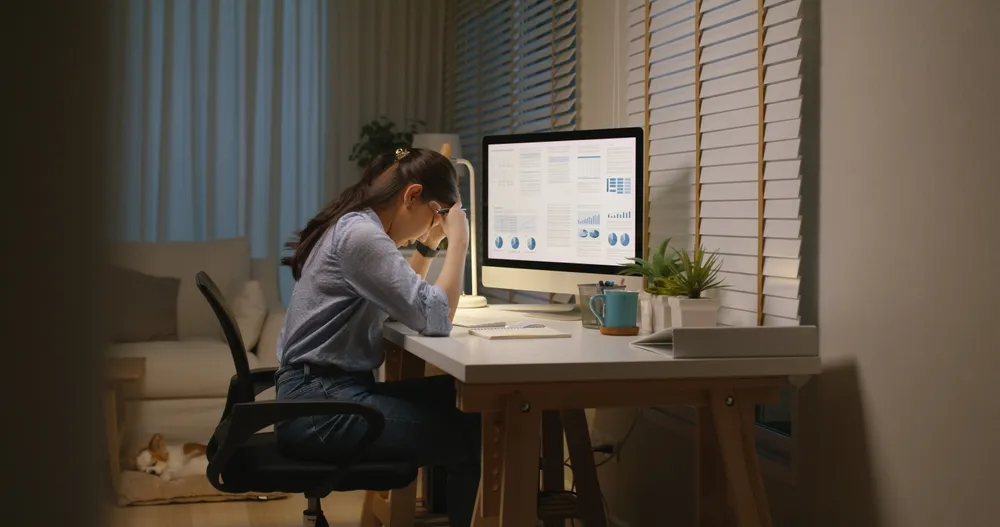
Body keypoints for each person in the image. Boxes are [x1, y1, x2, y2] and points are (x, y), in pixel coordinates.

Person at [274, 147, 480, 527]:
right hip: (320, 409)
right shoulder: (361, 236)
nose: (433, 224)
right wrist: (460, 242)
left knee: (472, 408)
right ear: (412, 195)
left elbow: (402, 299)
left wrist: (430, 243)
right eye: (435, 214)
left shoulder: (355, 225)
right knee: (469, 436)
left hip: (322, 394)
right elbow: (435, 316)